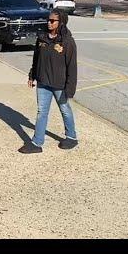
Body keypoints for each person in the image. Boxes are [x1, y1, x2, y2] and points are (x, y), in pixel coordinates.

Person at [21, 8, 78, 153]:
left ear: (61, 23)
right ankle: (37, 143)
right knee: (42, 112)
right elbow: (36, 59)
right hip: (43, 82)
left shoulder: (67, 42)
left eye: (52, 21)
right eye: (48, 20)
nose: (49, 23)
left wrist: (70, 89)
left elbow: (72, 67)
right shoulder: (42, 39)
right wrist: (32, 75)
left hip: (59, 84)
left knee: (65, 109)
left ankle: (71, 137)